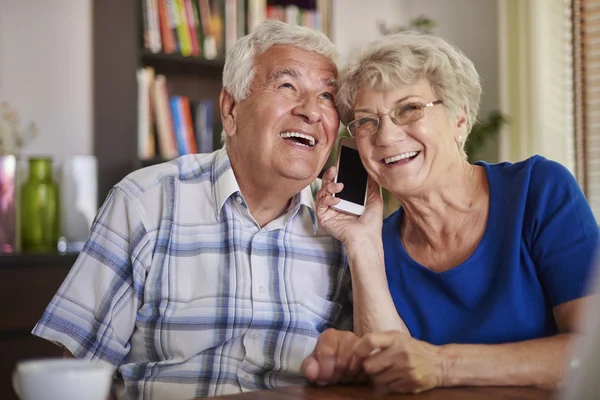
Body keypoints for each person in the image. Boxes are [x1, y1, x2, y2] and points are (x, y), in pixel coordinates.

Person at [33, 20, 350, 399]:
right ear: (230, 109)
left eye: (327, 97)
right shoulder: (145, 201)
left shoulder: (342, 224)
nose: (312, 112)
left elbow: (373, 371)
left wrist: (362, 244)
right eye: (287, 86)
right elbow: (78, 367)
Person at [301, 32, 600, 393]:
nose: (386, 136)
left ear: (459, 119)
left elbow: (590, 351)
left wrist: (443, 365)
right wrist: (362, 243)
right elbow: (392, 376)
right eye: (367, 121)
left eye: (408, 109)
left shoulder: (539, 190)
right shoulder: (380, 247)